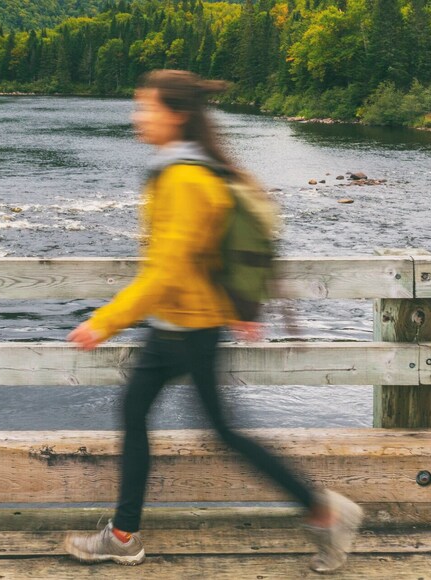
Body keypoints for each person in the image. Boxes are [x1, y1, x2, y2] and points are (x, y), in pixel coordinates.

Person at [63, 69, 363, 574]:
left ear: (176, 114)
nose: (138, 117)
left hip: (186, 328)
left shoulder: (184, 178)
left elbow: (167, 269)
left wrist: (105, 321)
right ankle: (124, 534)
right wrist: (238, 310)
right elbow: (203, 257)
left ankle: (325, 511)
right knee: (174, 420)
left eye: (147, 108)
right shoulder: (193, 168)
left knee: (206, 428)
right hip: (183, 325)